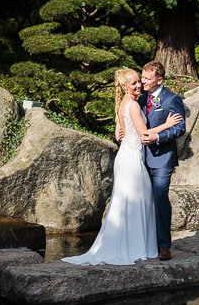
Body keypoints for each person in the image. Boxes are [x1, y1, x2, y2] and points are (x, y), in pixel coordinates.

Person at [62, 68, 182, 266]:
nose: (140, 84)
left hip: (131, 156)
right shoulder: (134, 105)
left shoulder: (126, 103)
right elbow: (144, 135)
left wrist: (121, 129)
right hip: (132, 159)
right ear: (124, 86)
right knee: (133, 202)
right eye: (135, 82)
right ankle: (132, 247)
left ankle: (139, 245)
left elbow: (124, 130)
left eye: (141, 81)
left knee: (131, 203)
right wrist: (166, 124)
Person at [137, 61, 186, 261]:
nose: (143, 81)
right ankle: (145, 243)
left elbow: (179, 128)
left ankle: (164, 245)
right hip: (139, 158)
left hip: (162, 158)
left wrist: (158, 137)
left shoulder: (172, 99)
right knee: (141, 201)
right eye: (142, 77)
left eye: (147, 79)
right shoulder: (140, 100)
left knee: (160, 197)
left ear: (160, 80)